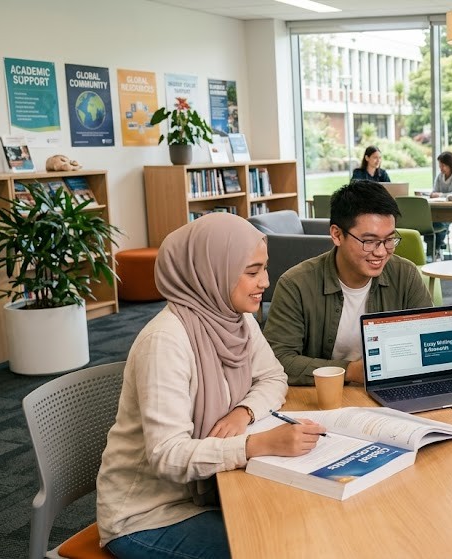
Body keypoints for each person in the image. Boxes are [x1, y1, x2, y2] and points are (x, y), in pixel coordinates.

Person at [97, 213, 324, 558]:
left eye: (265, 268)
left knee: (303, 524)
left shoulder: (237, 319)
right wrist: (255, 444)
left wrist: (243, 412)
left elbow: (273, 376)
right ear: (211, 271)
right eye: (252, 271)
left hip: (209, 490)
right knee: (279, 547)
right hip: (148, 517)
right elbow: (168, 455)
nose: (265, 281)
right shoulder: (166, 341)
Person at [264, 180, 432, 386]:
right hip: (323, 396)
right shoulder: (296, 284)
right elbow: (279, 359)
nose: (380, 252)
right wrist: (350, 371)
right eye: (369, 241)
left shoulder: (405, 275)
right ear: (337, 235)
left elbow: (427, 344)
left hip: (391, 391)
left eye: (389, 240)